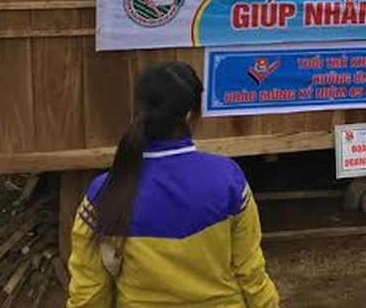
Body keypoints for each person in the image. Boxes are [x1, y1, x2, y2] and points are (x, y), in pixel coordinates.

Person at [66, 61, 278, 307]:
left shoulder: (103, 193)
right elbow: (251, 273)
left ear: (138, 110)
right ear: (190, 114)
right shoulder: (228, 179)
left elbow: (89, 294)